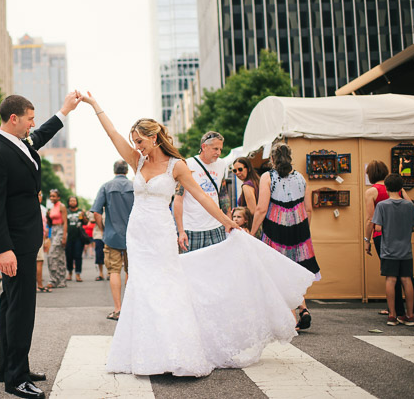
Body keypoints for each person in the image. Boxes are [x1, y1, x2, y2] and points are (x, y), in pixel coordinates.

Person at [82, 92, 314, 377]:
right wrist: (95, 105)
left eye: (140, 141)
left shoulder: (176, 166)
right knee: (141, 288)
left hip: (160, 233)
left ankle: (175, 350)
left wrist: (227, 221)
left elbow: (203, 197)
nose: (136, 147)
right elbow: (112, 133)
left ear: (154, 138)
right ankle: (146, 351)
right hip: (138, 234)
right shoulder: (137, 162)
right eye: (134, 143)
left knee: (166, 289)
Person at [0, 92, 81, 399]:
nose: (32, 124)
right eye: (29, 118)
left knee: (11, 304)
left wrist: (64, 111)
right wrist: (3, 249)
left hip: (25, 239)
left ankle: (9, 367)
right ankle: (17, 378)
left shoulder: (19, 143)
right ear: (14, 119)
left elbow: (41, 135)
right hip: (15, 244)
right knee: (21, 308)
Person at [251, 143, 320, 331]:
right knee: (294, 272)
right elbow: (309, 208)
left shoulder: (268, 177)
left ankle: (290, 319)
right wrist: (305, 232)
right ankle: (303, 309)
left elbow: (261, 208)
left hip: (276, 229)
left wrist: (251, 232)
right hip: (299, 229)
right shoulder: (300, 178)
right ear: (290, 157)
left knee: (278, 273)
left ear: (272, 159)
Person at [364, 159, 414, 317]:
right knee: (406, 275)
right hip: (401, 235)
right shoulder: (399, 190)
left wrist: (367, 240)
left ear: (371, 174)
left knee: (391, 274)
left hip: (382, 236)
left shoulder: (372, 191)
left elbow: (370, 220)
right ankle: (412, 308)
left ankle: (395, 310)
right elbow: (411, 207)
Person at [90, 160, 134, 321]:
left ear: (114, 170)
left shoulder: (106, 186)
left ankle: (118, 309)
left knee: (114, 271)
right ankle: (130, 308)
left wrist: (103, 230)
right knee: (132, 272)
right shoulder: (134, 186)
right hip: (133, 236)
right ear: (127, 170)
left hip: (112, 235)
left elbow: (96, 212)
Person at [174, 131, 229, 253]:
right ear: (204, 147)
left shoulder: (221, 164)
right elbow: (178, 199)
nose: (218, 153)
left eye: (220, 149)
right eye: (215, 149)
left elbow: (223, 195)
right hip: (193, 228)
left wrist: (228, 222)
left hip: (216, 226)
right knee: (192, 269)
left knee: (219, 266)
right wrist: (181, 230)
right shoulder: (187, 164)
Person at [46, 189, 68, 289]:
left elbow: (65, 222)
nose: (52, 198)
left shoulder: (61, 206)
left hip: (60, 230)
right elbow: (50, 223)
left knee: (51, 255)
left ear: (58, 197)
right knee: (59, 256)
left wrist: (64, 236)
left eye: (54, 196)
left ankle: (56, 279)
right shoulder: (51, 208)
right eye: (51, 196)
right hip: (53, 230)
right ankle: (59, 280)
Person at [65, 196, 87, 282]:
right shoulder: (66, 211)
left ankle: (78, 274)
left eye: (74, 201)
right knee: (69, 256)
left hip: (79, 238)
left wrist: (83, 216)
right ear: (68, 202)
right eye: (71, 201)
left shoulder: (80, 211)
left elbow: (86, 222)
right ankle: (69, 273)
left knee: (78, 256)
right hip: (68, 237)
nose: (72, 202)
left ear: (76, 202)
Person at [36, 191, 51, 293]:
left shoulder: (41, 208)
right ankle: (39, 285)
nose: (40, 197)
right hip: (36, 238)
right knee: (39, 261)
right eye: (39, 195)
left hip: (38, 237)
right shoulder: (36, 208)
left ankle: (38, 284)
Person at [91, 213, 106, 281]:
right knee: (99, 254)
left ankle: (110, 273)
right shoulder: (96, 209)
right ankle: (101, 273)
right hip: (99, 235)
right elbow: (91, 220)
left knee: (110, 255)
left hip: (110, 235)